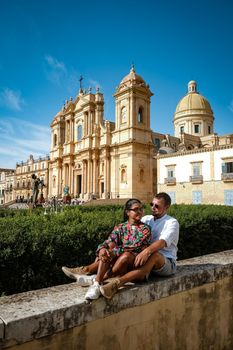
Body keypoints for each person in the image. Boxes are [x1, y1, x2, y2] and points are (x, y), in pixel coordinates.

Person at [62, 198, 151, 300]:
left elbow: (134, 247)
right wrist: (101, 250)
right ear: (127, 212)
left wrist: (114, 252)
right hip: (117, 263)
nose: (139, 211)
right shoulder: (120, 227)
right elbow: (109, 241)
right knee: (108, 248)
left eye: (141, 209)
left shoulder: (145, 229)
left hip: (133, 266)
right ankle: (96, 283)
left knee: (124, 255)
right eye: (136, 209)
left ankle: (92, 275)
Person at [99, 192, 179, 299]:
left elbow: (162, 242)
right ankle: (91, 273)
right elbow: (130, 230)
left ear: (166, 207)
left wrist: (147, 251)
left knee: (155, 255)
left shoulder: (171, 222)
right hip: (144, 258)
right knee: (113, 249)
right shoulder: (147, 219)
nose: (153, 208)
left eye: (157, 206)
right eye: (152, 204)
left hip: (166, 262)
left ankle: (118, 283)